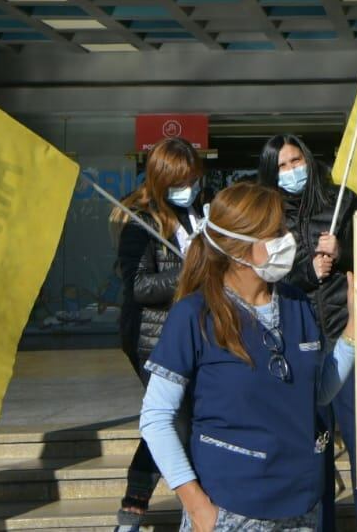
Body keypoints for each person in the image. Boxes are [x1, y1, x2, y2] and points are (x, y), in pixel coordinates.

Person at [138, 182, 356, 532]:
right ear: (239, 245)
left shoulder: (297, 304)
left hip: (301, 504)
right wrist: (198, 507)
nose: (289, 240)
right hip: (229, 509)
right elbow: (155, 418)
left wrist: (353, 330)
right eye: (277, 232)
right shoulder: (195, 315)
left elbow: (318, 393)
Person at [256, 135, 357, 532]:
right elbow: (261, 276)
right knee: (315, 450)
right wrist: (307, 273)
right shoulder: (264, 214)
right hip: (297, 344)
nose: (292, 170)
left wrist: (343, 250)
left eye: (296, 160)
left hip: (346, 335)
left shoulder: (342, 201)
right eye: (281, 165)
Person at [113, 137, 204, 531]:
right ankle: (137, 510)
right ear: (162, 180)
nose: (190, 187)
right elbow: (139, 287)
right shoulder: (140, 220)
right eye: (180, 180)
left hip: (202, 333)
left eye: (194, 178)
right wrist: (188, 270)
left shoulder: (206, 210)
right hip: (154, 338)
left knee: (183, 421)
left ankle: (137, 507)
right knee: (173, 421)